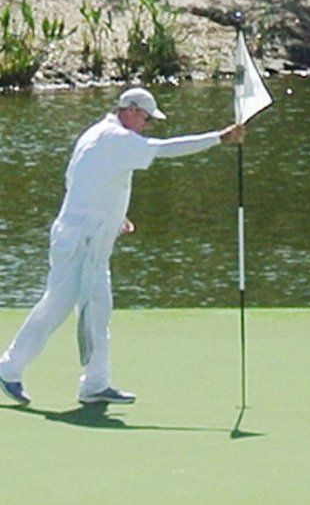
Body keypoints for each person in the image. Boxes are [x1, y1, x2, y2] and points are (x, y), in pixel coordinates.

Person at [0, 88, 245, 406]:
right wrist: (219, 138)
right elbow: (164, 150)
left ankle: (95, 384)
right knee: (57, 305)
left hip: (93, 238)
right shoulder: (115, 137)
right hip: (79, 238)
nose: (145, 125)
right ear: (129, 110)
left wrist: (117, 216)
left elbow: (79, 179)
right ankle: (8, 368)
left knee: (99, 309)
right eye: (144, 118)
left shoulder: (99, 134)